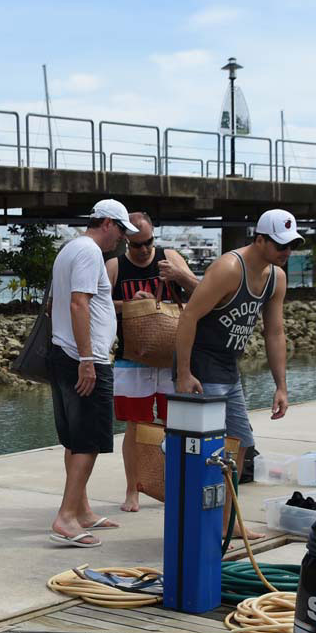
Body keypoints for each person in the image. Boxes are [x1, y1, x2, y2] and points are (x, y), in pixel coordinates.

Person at [174, 208, 299, 542]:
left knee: (240, 446)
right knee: (211, 450)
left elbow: (274, 332)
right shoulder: (229, 269)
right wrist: (183, 373)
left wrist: (281, 386)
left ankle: (228, 524)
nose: (286, 252)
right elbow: (189, 318)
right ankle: (204, 525)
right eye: (280, 245)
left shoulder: (277, 278)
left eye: (291, 246)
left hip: (230, 367)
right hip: (203, 364)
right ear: (259, 239)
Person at [48, 199, 139, 547]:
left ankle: (81, 508)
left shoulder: (71, 248)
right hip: (84, 359)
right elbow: (78, 303)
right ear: (107, 224)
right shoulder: (88, 252)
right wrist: (87, 358)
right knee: (88, 441)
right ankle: (66, 517)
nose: (121, 239)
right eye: (121, 230)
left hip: (65, 354)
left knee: (75, 438)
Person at [106, 211, 198, 512]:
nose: (144, 250)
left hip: (171, 356)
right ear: (125, 242)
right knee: (135, 425)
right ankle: (133, 489)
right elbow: (99, 306)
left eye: (148, 243)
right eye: (136, 245)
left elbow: (200, 294)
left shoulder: (169, 257)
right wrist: (134, 305)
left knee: (176, 424)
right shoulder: (115, 267)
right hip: (132, 358)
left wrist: (178, 276)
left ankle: (174, 484)